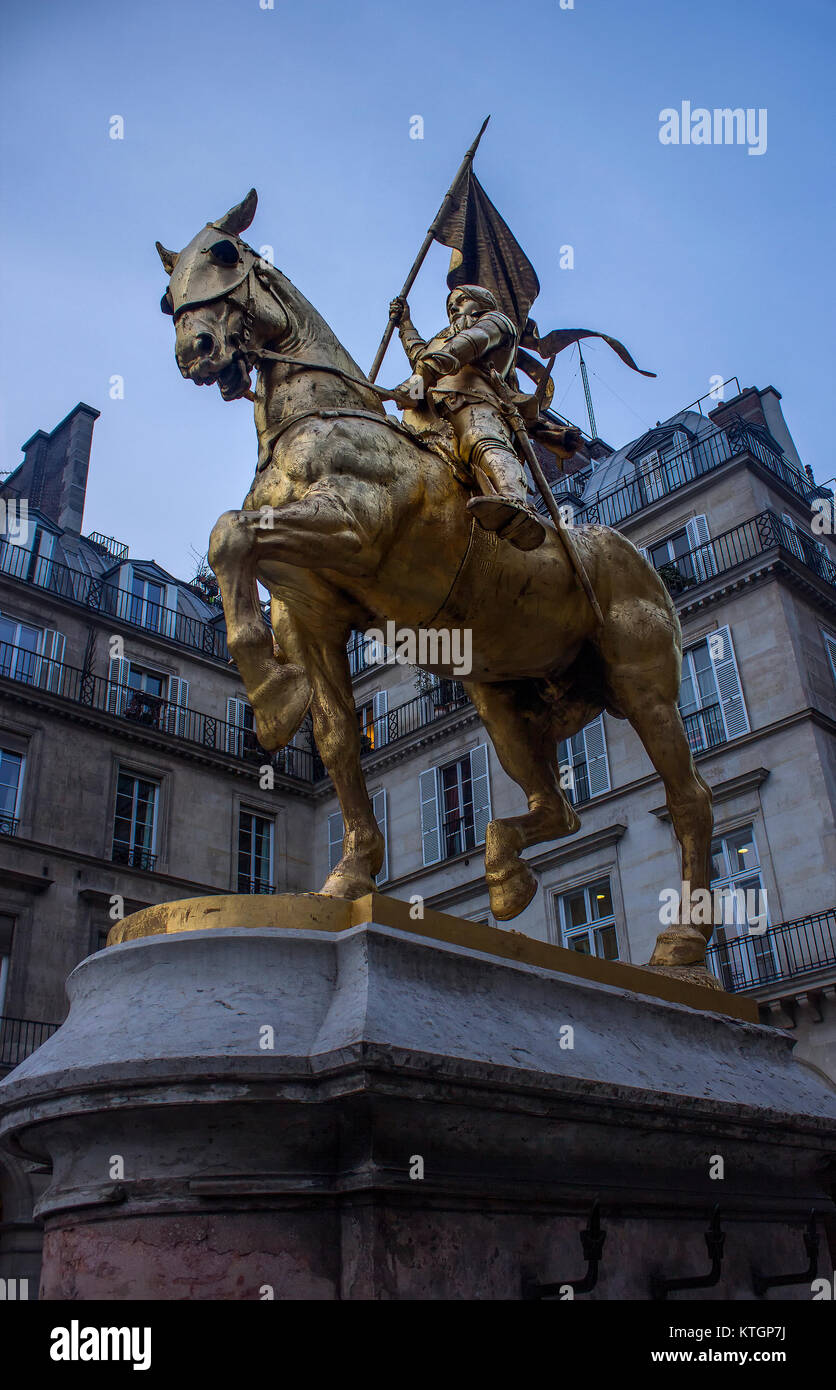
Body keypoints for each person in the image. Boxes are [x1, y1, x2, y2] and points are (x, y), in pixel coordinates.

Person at [390, 285, 561, 551]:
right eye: (450, 305)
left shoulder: (496, 323)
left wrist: (417, 381)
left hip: (474, 404)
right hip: (430, 416)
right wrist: (405, 325)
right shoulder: (443, 339)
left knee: (478, 437)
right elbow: (421, 356)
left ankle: (515, 503)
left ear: (482, 302)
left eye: (461, 300)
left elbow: (464, 347)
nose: (454, 307)